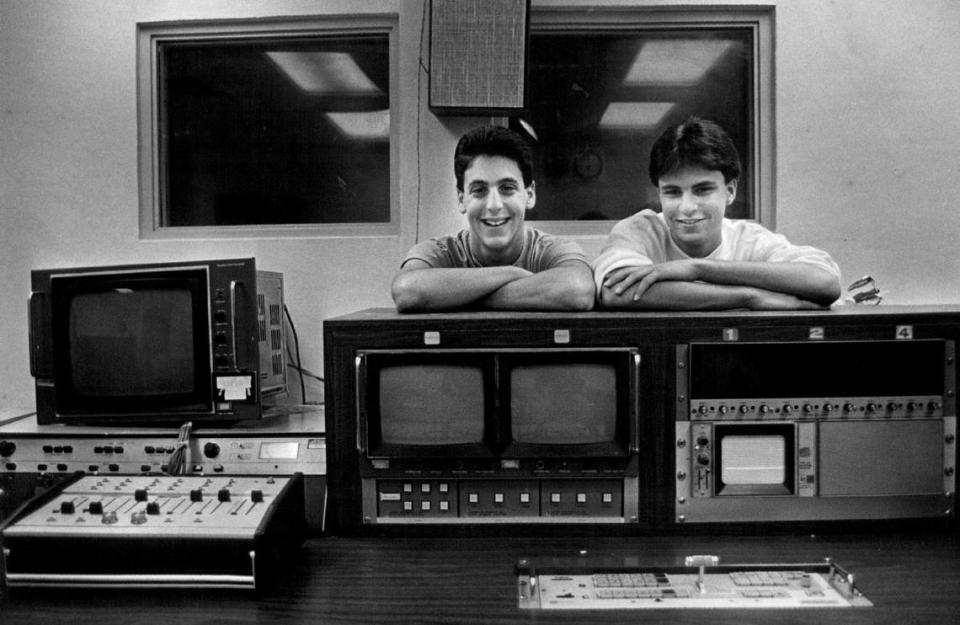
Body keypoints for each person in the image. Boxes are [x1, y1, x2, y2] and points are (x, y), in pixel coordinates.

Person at [593, 117, 841, 310]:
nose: (687, 206)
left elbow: (825, 283)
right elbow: (617, 293)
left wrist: (696, 269)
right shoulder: (640, 230)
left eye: (702, 190)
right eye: (672, 192)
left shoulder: (749, 239)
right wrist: (749, 297)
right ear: (659, 194)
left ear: (730, 191)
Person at [391, 125, 596, 312]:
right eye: (479, 190)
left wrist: (455, 296)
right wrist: (510, 273)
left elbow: (578, 290)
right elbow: (407, 290)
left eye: (507, 188)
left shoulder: (552, 249)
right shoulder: (438, 251)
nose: (494, 205)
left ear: (530, 195)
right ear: (462, 199)